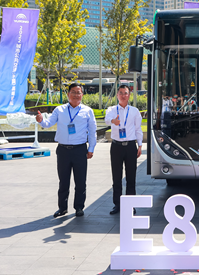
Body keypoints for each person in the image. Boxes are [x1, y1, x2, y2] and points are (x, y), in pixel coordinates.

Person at [36, 83, 97, 218]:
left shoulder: (87, 111)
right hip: (63, 150)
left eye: (78, 92)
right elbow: (48, 123)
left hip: (80, 149)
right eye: (73, 92)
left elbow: (92, 131)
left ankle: (79, 207)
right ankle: (62, 208)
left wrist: (91, 148)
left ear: (82, 95)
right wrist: (41, 120)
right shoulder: (60, 110)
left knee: (80, 181)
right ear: (68, 94)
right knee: (63, 181)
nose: (76, 95)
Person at [105, 85, 143, 215]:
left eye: (125, 93)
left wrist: (140, 145)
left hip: (130, 146)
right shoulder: (112, 109)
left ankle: (130, 205)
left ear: (129, 95)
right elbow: (106, 120)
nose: (123, 95)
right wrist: (113, 121)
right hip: (116, 146)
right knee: (116, 177)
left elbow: (138, 129)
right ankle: (117, 204)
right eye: (120, 93)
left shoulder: (134, 111)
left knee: (131, 177)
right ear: (117, 95)